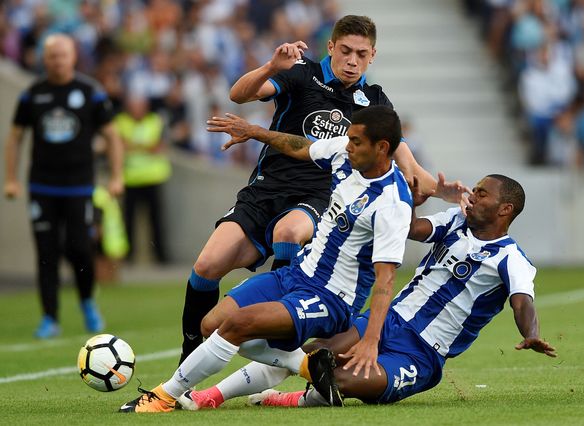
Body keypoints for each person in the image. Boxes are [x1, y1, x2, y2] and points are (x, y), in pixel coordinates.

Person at [178, 14, 466, 364]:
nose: (352, 60)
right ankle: (189, 350)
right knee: (207, 265)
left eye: (361, 54)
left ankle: (277, 327)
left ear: (372, 55)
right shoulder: (302, 72)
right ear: (331, 47)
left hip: (319, 197)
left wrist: (446, 193)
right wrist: (271, 65)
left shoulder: (374, 101)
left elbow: (411, 167)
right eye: (345, 51)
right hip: (265, 189)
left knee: (289, 230)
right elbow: (239, 95)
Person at [120, 105, 420, 413]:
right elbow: (302, 147)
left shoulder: (392, 203)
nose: (349, 145)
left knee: (239, 324)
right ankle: (308, 365)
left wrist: (370, 342)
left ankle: (163, 396)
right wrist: (254, 132)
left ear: (381, 147)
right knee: (211, 324)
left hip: (332, 298)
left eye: (357, 141)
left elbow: (385, 278)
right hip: (297, 274)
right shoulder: (344, 154)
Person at [175, 174, 557, 410]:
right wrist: (404, 202)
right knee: (311, 351)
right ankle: (213, 395)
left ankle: (293, 399)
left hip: (421, 353)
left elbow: (522, 301)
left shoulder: (512, 260)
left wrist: (532, 334)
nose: (472, 197)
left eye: (482, 193)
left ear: (505, 209)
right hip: (385, 321)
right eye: (473, 190)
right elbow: (413, 229)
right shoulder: (456, 222)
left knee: (341, 380)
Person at [3, 33, 124, 338]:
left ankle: (86, 302)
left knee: (80, 248)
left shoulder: (90, 92)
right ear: (45, 59)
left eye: (63, 55)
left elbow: (112, 135)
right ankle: (49, 317)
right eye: (52, 56)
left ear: (73, 57)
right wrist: (12, 179)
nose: (57, 60)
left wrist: (116, 176)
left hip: (79, 186)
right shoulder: (33, 94)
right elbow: (15, 137)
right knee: (46, 252)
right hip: (42, 186)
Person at [114, 94, 171, 264]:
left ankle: (161, 256)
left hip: (153, 178)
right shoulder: (120, 121)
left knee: (157, 221)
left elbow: (157, 147)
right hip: (130, 179)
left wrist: (132, 145)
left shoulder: (155, 121)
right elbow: (119, 145)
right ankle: (128, 256)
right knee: (128, 221)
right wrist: (143, 145)